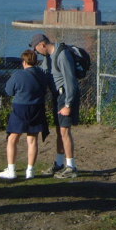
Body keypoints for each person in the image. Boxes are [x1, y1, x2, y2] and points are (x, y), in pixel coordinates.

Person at [29, 33, 80, 178]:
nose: (36, 53)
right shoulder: (48, 57)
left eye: (36, 49)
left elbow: (70, 81)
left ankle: (71, 167)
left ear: (43, 45)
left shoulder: (62, 55)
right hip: (57, 96)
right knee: (59, 131)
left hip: (65, 96)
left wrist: (68, 104)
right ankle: (59, 163)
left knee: (65, 131)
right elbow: (44, 73)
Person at [0, 49, 50, 180]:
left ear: (24, 62)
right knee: (32, 140)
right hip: (37, 107)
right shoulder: (42, 74)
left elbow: (9, 91)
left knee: (12, 138)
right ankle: (30, 171)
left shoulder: (18, 75)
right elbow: (45, 90)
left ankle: (11, 170)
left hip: (20, 108)